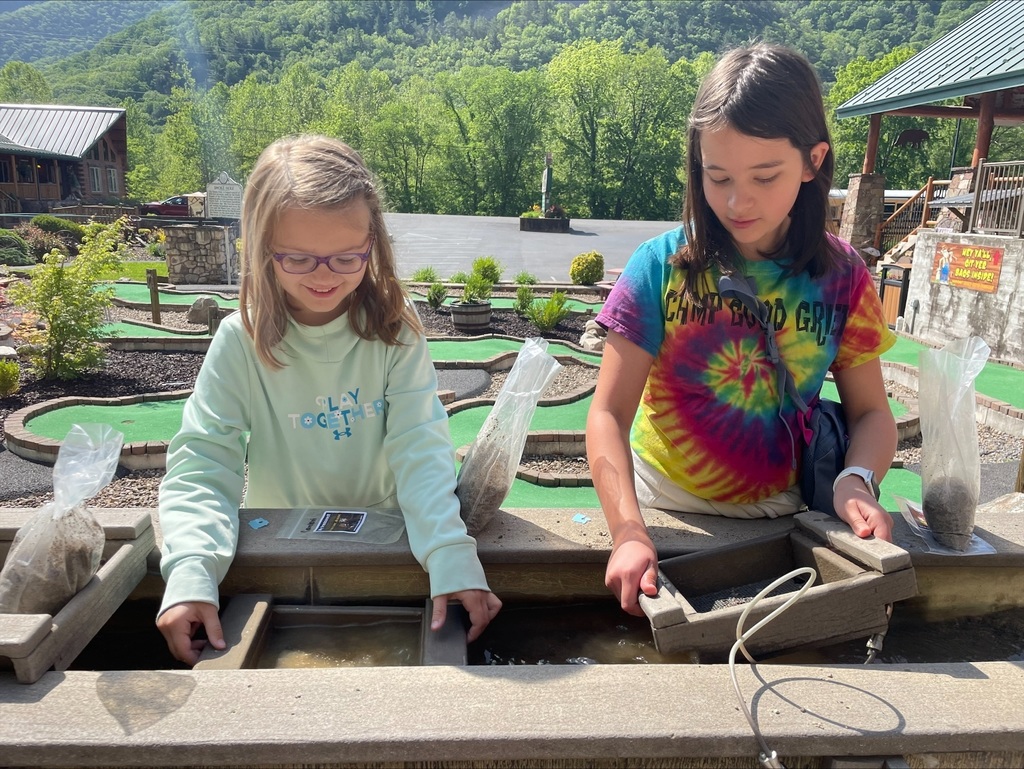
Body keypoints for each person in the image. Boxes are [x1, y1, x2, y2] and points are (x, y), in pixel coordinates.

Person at [156, 134, 502, 664]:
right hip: (279, 553)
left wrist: (450, 554)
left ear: (373, 243)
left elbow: (420, 447)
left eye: (346, 257)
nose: (323, 276)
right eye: (297, 258)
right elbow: (204, 461)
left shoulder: (396, 329)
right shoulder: (240, 340)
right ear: (262, 247)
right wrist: (191, 570)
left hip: (389, 548)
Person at [586, 43, 897, 617]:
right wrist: (627, 531)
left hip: (790, 515)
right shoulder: (659, 266)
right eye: (718, 175)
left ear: (812, 161)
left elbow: (873, 413)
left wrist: (855, 479)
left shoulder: (844, 276)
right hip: (662, 509)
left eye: (765, 176)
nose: (737, 201)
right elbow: (607, 413)